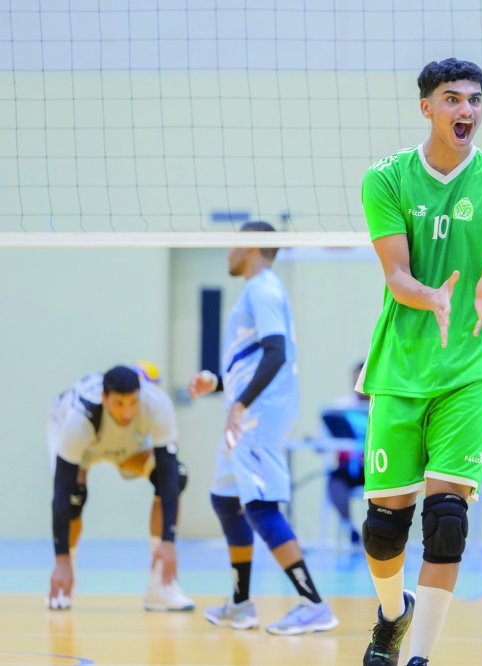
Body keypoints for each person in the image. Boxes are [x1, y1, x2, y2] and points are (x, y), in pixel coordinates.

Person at [357, 58, 482, 666]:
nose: (466, 110)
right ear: (426, 106)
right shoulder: (387, 179)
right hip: (401, 364)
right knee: (383, 529)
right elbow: (397, 274)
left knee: (448, 518)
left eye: (475, 100)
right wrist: (429, 295)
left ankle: (421, 656)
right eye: (452, 99)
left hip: (472, 365)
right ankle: (391, 613)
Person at [188, 221, 338, 636]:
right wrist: (218, 384)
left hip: (256, 418)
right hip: (245, 415)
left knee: (259, 507)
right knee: (225, 498)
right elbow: (257, 358)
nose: (228, 252)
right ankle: (240, 604)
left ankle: (314, 605)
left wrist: (240, 402)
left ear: (251, 245)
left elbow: (276, 354)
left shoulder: (263, 288)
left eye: (233, 243)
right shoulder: (256, 291)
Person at [47, 365, 194, 612]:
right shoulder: (79, 417)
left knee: (175, 477)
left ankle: (159, 584)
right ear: (104, 399)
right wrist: (61, 560)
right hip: (86, 443)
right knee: (73, 495)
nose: (127, 412)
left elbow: (168, 473)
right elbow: (60, 490)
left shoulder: (156, 404)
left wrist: (168, 541)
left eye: (133, 402)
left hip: (127, 444)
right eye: (119, 403)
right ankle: (66, 576)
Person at [326, 361, 369, 546]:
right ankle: (349, 527)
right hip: (347, 467)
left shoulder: (384, 407)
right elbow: (323, 439)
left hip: (376, 466)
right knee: (335, 482)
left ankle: (378, 532)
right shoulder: (339, 407)